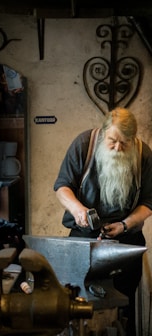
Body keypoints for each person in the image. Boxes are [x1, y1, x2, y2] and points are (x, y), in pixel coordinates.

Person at [54, 107, 152, 335]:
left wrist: (126, 224)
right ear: (103, 132)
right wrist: (78, 210)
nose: (118, 147)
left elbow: (149, 202)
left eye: (124, 142)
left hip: (126, 241)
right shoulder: (83, 145)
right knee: (78, 305)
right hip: (83, 239)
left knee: (122, 309)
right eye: (112, 141)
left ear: (133, 139)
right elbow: (62, 186)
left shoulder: (143, 154)